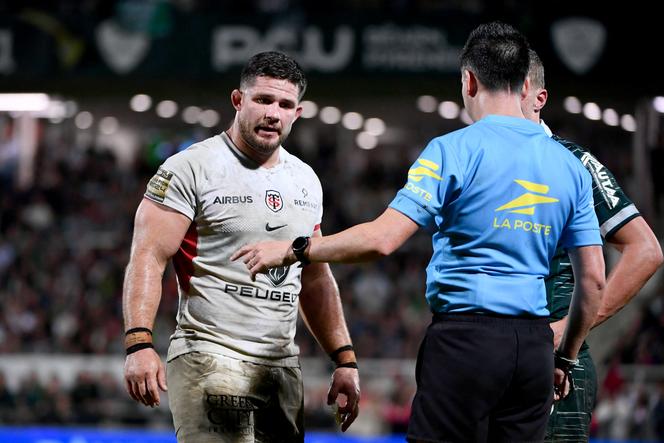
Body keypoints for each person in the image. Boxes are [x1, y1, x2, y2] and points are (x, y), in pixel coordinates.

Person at [233, 22, 605, 442]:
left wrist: (296, 249)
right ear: (525, 85)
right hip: (536, 347)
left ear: (468, 81)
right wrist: (565, 356)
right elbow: (593, 280)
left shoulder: (453, 150)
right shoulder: (571, 166)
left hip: (467, 342)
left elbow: (382, 240)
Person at [122, 51, 360, 442]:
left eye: (284, 105)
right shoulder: (190, 168)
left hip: (281, 367)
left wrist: (345, 359)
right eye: (263, 100)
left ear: (297, 113)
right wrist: (138, 343)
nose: (273, 113)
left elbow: (316, 277)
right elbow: (148, 256)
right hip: (209, 356)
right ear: (238, 100)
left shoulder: (306, 180)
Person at [523, 49, 663, 442]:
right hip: (496, 359)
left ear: (536, 97)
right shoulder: (482, 159)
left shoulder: (573, 162)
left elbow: (645, 250)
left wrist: (566, 331)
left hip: (557, 366)